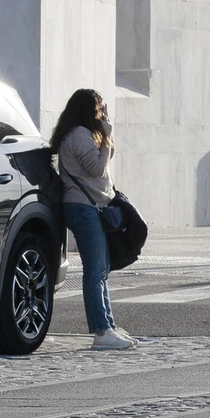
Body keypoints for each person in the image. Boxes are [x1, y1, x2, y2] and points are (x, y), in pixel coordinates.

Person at [52, 88, 138, 351]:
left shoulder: (84, 133)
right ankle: (101, 331)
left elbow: (106, 156)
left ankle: (108, 325)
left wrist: (106, 135)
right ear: (88, 110)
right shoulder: (78, 135)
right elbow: (98, 168)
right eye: (99, 109)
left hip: (89, 207)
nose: (102, 113)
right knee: (95, 271)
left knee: (101, 270)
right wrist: (106, 137)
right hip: (83, 208)